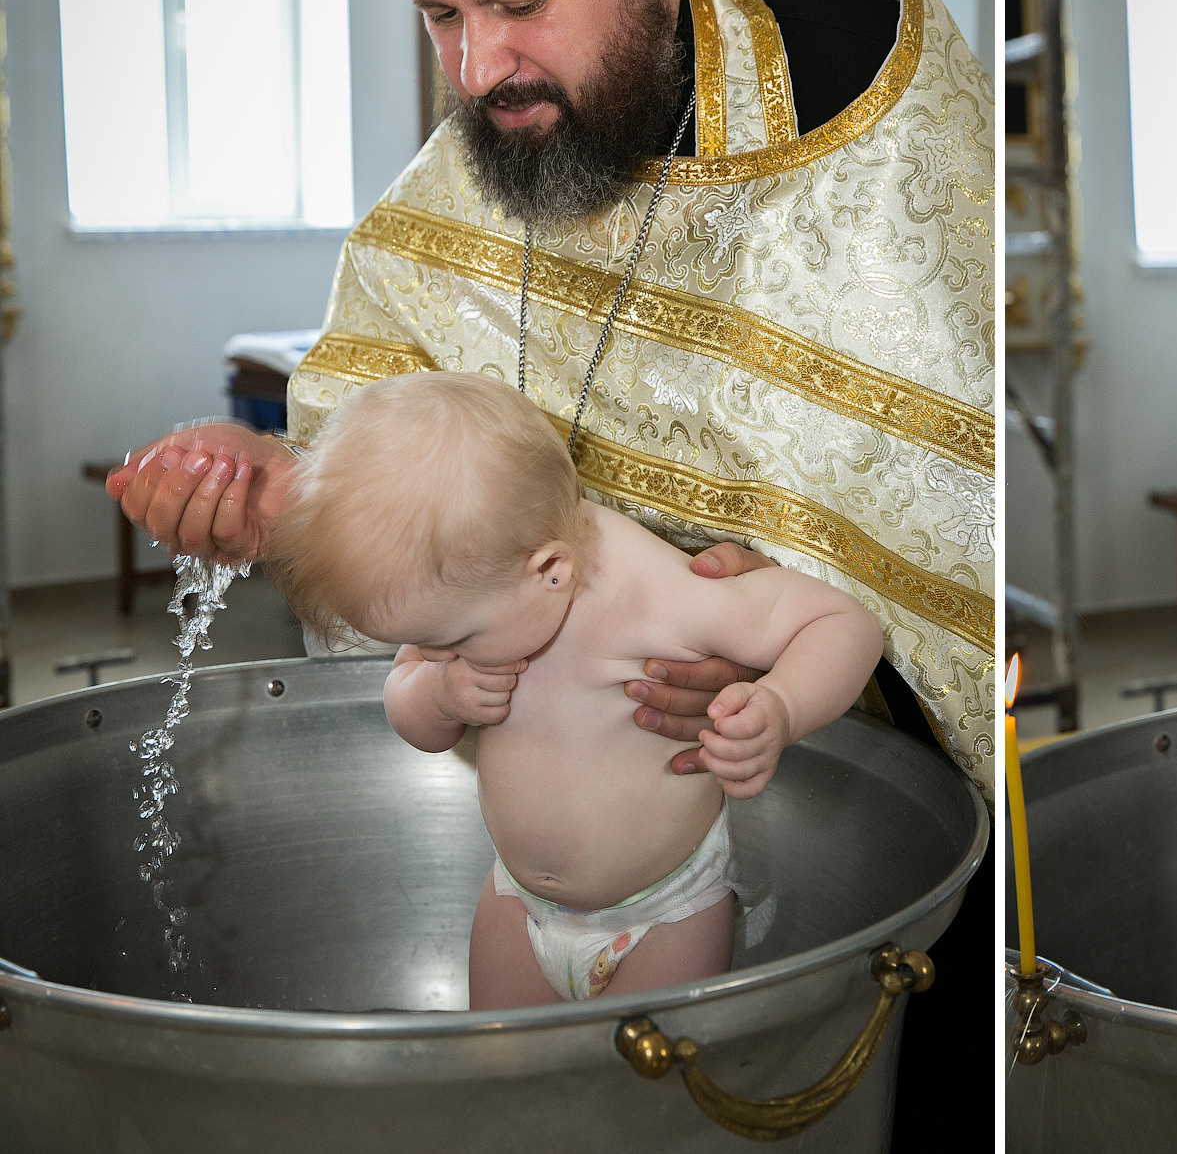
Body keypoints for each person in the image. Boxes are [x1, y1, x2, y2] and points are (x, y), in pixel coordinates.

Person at [104, 0, 992, 1124]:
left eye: (515, 4)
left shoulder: (875, 124)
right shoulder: (496, 148)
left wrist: (787, 639)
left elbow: (950, 511)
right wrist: (292, 480)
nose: (474, 70)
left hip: (846, 809)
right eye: (442, 16)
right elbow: (383, 431)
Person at [265, 373, 882, 1007]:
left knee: (644, 1095)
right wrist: (437, 696)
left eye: (451, 643)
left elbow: (843, 624)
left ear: (551, 572)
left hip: (665, 919)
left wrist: (782, 708)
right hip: (517, 904)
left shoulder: (656, 593)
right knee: (502, 1079)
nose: (438, 657)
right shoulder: (466, 592)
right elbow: (408, 702)